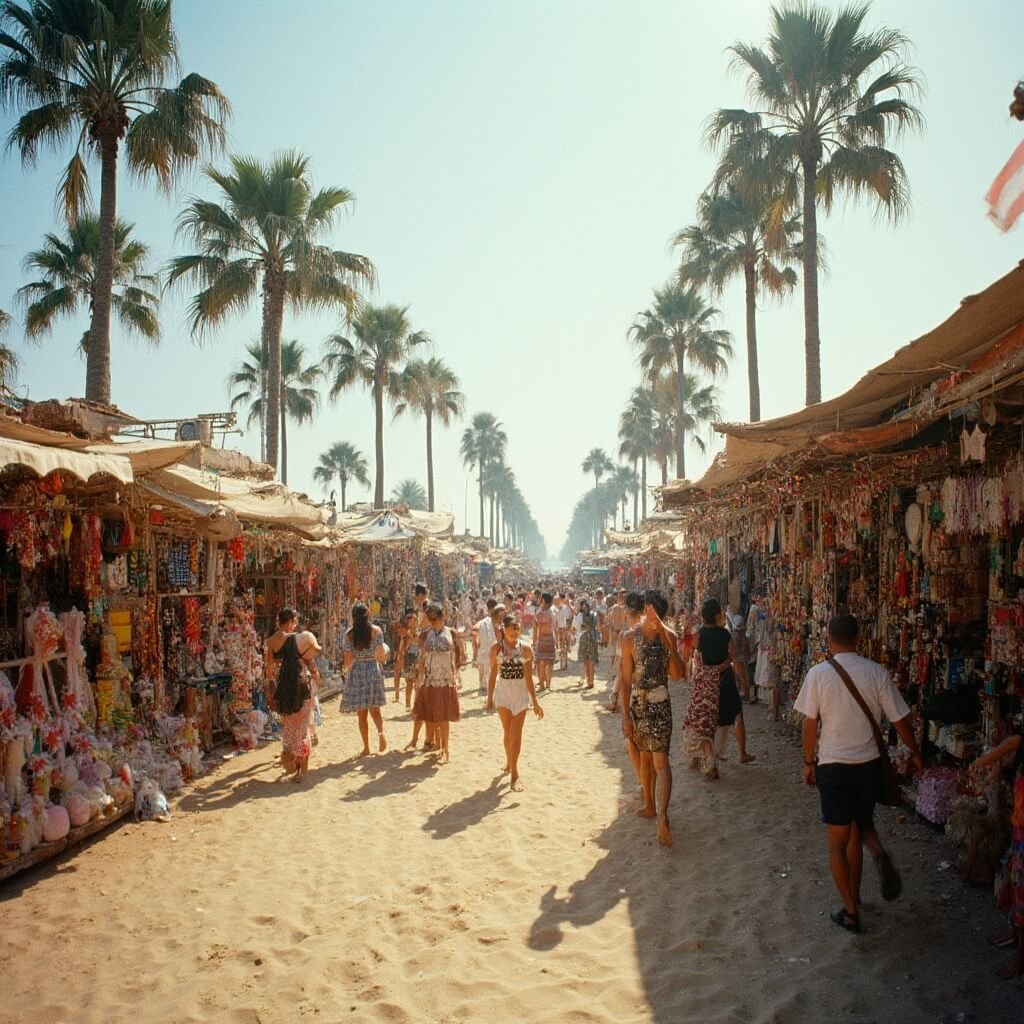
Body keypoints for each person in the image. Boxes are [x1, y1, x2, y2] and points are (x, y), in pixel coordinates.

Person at [794, 614, 923, 934]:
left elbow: (809, 724)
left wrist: (808, 762)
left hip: (834, 766)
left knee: (837, 841)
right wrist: (916, 753)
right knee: (860, 825)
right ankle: (871, 861)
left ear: (829, 638)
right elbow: (900, 720)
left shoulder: (818, 674)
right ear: (858, 638)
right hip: (868, 766)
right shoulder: (875, 672)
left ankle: (851, 911)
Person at [619, 589, 681, 846]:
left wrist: (668, 638)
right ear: (646, 609)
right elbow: (624, 680)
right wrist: (625, 715)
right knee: (649, 758)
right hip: (641, 704)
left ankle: (660, 814)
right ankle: (651, 806)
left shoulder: (667, 637)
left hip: (657, 702)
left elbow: (677, 674)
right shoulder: (628, 638)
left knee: (659, 761)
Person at [970, 724, 1024, 977]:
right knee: (1015, 882)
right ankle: (1015, 933)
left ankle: (1021, 957)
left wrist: (981, 761)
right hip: (1020, 827)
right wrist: (995, 767)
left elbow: (1013, 742)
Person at [487, 613, 543, 791]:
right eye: (512, 627)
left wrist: (535, 700)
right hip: (503, 695)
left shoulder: (525, 649)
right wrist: (489, 699)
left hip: (520, 695)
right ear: (504, 629)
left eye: (518, 627)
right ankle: (509, 761)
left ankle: (515, 773)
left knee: (516, 733)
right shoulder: (496, 649)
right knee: (507, 732)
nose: (515, 630)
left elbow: (528, 677)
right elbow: (493, 675)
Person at [266, 607, 320, 782]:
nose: (295, 626)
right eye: (294, 622)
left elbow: (269, 670)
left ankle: (291, 763)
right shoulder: (300, 639)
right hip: (300, 687)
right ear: (289, 622)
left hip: (284, 691)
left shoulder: (271, 642)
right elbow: (313, 661)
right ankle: (300, 771)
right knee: (302, 730)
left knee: (289, 730)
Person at [683, 598, 732, 779]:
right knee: (708, 722)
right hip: (718, 684)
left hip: (702, 685)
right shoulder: (725, 634)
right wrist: (720, 668)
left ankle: (709, 761)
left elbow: (686, 651)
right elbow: (730, 656)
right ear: (717, 615)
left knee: (699, 721)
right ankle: (702, 758)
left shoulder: (698, 635)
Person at [413, 602, 460, 763]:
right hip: (429, 679)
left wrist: (456, 676)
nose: (433, 623)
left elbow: (455, 657)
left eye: (435, 619)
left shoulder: (450, 633)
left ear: (442, 618)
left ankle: (446, 749)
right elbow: (422, 656)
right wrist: (420, 677)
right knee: (432, 715)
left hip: (445, 679)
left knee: (444, 716)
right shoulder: (427, 634)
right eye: (431, 620)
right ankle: (436, 743)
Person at [341, 602, 389, 755]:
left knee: (361, 714)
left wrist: (345, 669)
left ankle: (366, 747)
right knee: (376, 710)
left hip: (358, 672)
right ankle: (381, 734)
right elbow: (381, 656)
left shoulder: (349, 635)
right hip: (373, 669)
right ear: (368, 615)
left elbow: (348, 660)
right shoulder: (376, 631)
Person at [473, 599, 501, 695]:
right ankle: (486, 687)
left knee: (483, 668)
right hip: (491, 648)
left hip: (484, 648)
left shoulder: (484, 621)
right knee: (490, 669)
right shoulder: (494, 621)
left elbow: (474, 629)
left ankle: (483, 686)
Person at [532, 592, 557, 691]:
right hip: (550, 639)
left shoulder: (538, 613)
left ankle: (542, 684)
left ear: (543, 601)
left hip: (541, 640)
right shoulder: (552, 613)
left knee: (540, 663)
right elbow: (555, 628)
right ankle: (548, 684)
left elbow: (535, 630)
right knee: (549, 663)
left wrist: (534, 641)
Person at [574, 599, 600, 689]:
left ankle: (590, 682)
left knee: (587, 661)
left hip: (586, 639)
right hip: (592, 638)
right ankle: (590, 681)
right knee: (589, 661)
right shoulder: (594, 614)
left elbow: (579, 627)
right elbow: (595, 627)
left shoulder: (581, 615)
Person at [607, 590, 627, 682]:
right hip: (618, 635)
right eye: (620, 596)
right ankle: (616, 675)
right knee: (615, 656)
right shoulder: (615, 608)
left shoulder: (619, 608)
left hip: (621, 635)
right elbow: (610, 622)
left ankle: (617, 675)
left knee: (617, 656)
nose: (621, 598)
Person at [555, 593, 573, 670]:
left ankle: (564, 661)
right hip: (557, 629)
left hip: (565, 628)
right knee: (559, 645)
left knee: (565, 644)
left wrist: (568, 629)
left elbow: (570, 618)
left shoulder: (567, 607)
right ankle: (561, 661)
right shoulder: (554, 608)